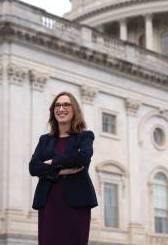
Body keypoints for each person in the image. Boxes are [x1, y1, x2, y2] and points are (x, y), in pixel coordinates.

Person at [29, 91, 98, 245]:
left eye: (66, 104)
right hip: (49, 202)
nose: (61, 108)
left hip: (77, 203)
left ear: (75, 109)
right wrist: (61, 170)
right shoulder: (45, 140)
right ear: (53, 111)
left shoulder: (85, 136)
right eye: (57, 105)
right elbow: (33, 167)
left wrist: (51, 163)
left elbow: (82, 158)